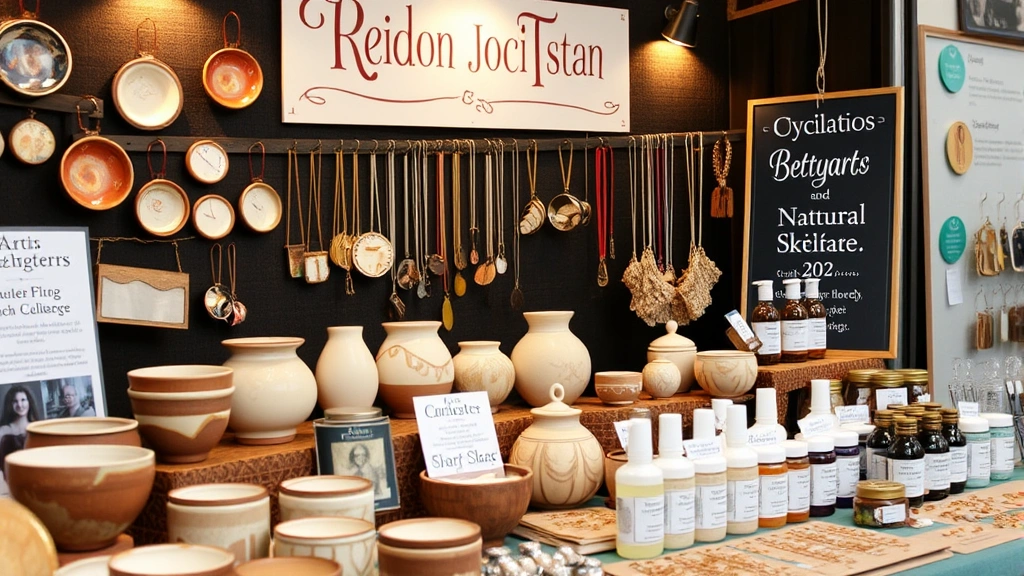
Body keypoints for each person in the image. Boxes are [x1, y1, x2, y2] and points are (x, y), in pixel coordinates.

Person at [0, 386, 40, 481]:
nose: (20, 405)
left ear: (29, 402)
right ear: (10, 404)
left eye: (23, 400)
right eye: (15, 401)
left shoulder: (37, 428)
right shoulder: (2, 431)